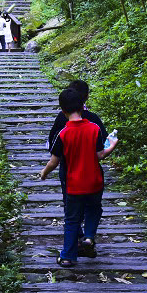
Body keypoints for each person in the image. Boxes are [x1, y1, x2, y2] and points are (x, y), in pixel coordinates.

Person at [38, 88, 118, 267]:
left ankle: (67, 256)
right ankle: (89, 236)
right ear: (83, 106)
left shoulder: (63, 133)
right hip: (95, 181)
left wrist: (44, 173)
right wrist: (112, 145)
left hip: (74, 184)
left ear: (63, 110)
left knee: (72, 219)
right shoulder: (94, 128)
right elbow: (100, 155)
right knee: (94, 210)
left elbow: (54, 161)